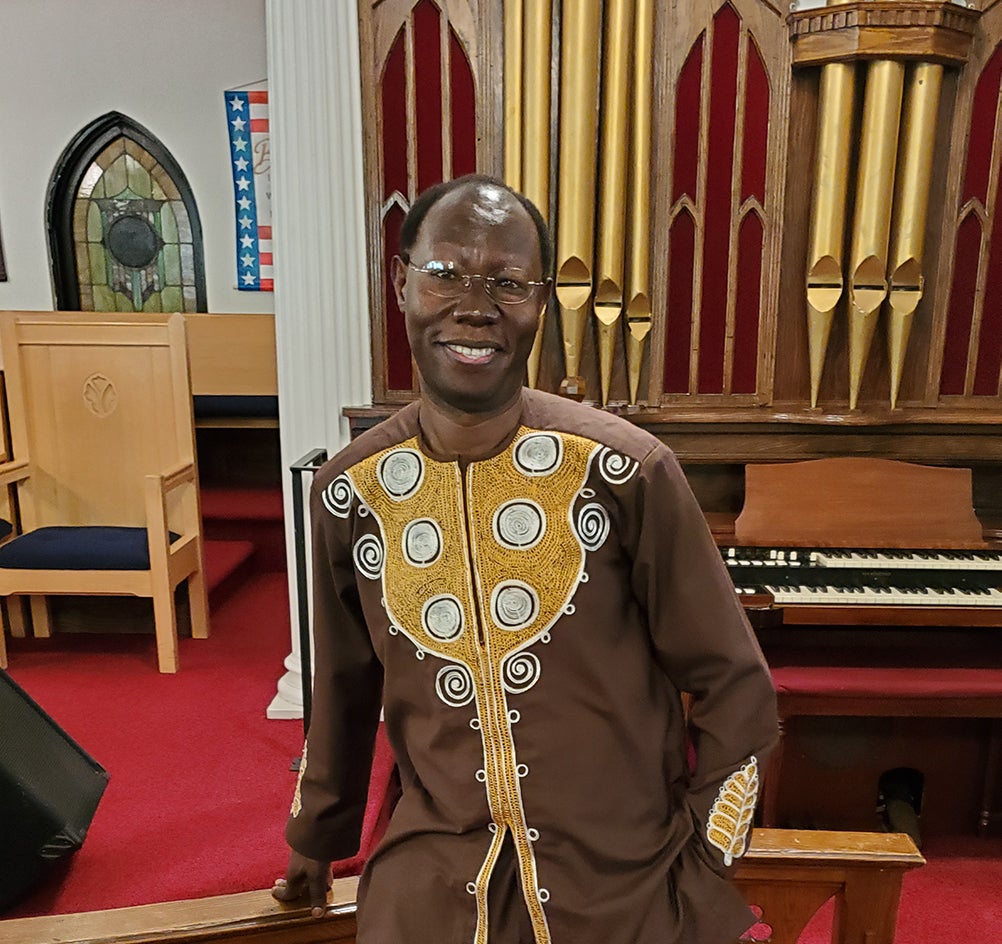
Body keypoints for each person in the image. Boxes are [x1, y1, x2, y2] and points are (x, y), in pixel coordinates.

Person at [272, 174, 778, 944]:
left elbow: (731, 675)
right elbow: (344, 685)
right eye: (446, 273)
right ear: (402, 282)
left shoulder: (625, 471)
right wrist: (316, 837)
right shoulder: (352, 493)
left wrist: (709, 849)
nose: (475, 306)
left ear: (541, 304)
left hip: (625, 873)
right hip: (435, 872)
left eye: (508, 282)